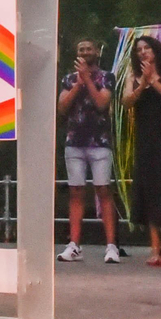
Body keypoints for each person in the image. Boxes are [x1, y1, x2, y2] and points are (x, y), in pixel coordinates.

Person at [120, 35, 161, 266]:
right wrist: (142, 85)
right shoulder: (134, 75)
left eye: (147, 48)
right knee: (148, 188)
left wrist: (154, 82)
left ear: (156, 50)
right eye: (139, 50)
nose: (143, 52)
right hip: (145, 138)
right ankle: (154, 245)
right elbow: (126, 101)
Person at [57, 38, 120, 265]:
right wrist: (78, 84)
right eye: (81, 49)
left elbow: (102, 102)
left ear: (96, 52)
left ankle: (111, 246)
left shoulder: (107, 77)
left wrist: (88, 81)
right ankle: (74, 245)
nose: (85, 52)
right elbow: (62, 107)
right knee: (76, 192)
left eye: (89, 49)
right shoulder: (68, 79)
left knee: (103, 189)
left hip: (99, 142)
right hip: (75, 141)